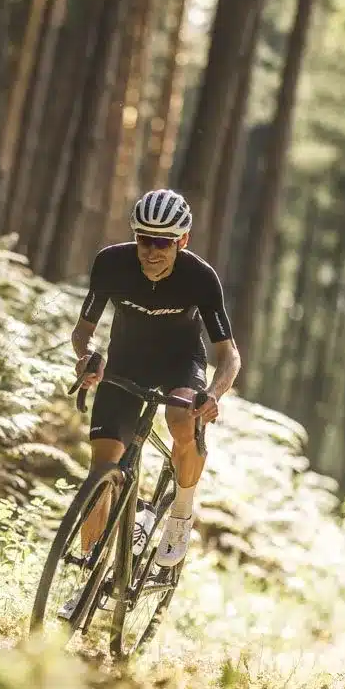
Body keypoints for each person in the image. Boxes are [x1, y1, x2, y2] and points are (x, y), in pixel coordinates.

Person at [59, 189, 242, 618]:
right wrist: (87, 357)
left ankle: (180, 513)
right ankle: (88, 581)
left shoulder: (200, 277)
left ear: (183, 241)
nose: (152, 251)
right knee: (102, 469)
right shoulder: (111, 263)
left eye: (163, 242)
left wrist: (213, 395)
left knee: (183, 418)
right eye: (144, 239)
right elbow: (83, 331)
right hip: (126, 362)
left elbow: (229, 354)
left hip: (181, 364)